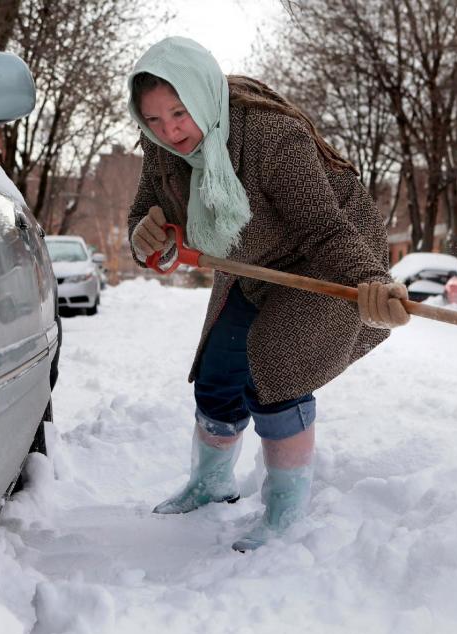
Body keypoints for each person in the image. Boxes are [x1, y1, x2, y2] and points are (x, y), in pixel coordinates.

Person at [126, 37, 409, 552]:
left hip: (327, 256)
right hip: (251, 260)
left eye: (179, 112)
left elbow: (322, 231)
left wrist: (372, 282)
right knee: (218, 373)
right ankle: (211, 481)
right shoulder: (163, 150)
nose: (170, 131)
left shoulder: (271, 137)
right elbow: (149, 215)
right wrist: (149, 240)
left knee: (277, 361)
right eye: (154, 120)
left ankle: (284, 509)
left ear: (202, 95)